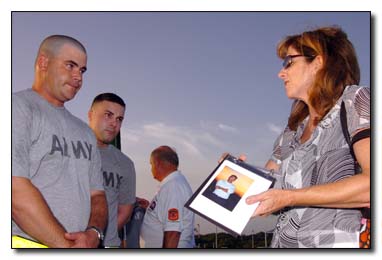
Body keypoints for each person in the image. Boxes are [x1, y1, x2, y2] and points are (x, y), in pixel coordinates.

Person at [243, 26, 370, 248]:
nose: (281, 73)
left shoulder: (355, 101)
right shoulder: (292, 131)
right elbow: (267, 190)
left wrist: (290, 197)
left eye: (289, 62)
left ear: (318, 63)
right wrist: (235, 173)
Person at [12, 35, 107, 248]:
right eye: (70, 65)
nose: (78, 77)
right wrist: (67, 247)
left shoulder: (85, 132)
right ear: (44, 63)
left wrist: (93, 233)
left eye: (82, 70)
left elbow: (97, 194)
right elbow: (13, 189)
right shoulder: (16, 107)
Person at [88, 93, 136, 248]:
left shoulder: (125, 163)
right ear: (91, 114)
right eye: (108, 115)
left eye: (119, 119)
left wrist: (97, 236)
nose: (114, 123)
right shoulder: (69, 151)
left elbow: (125, 210)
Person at [140, 146, 195, 248]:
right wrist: (150, 209)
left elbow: (173, 231)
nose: (151, 168)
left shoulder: (173, 187)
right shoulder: (172, 184)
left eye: (151, 164)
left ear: (158, 163)